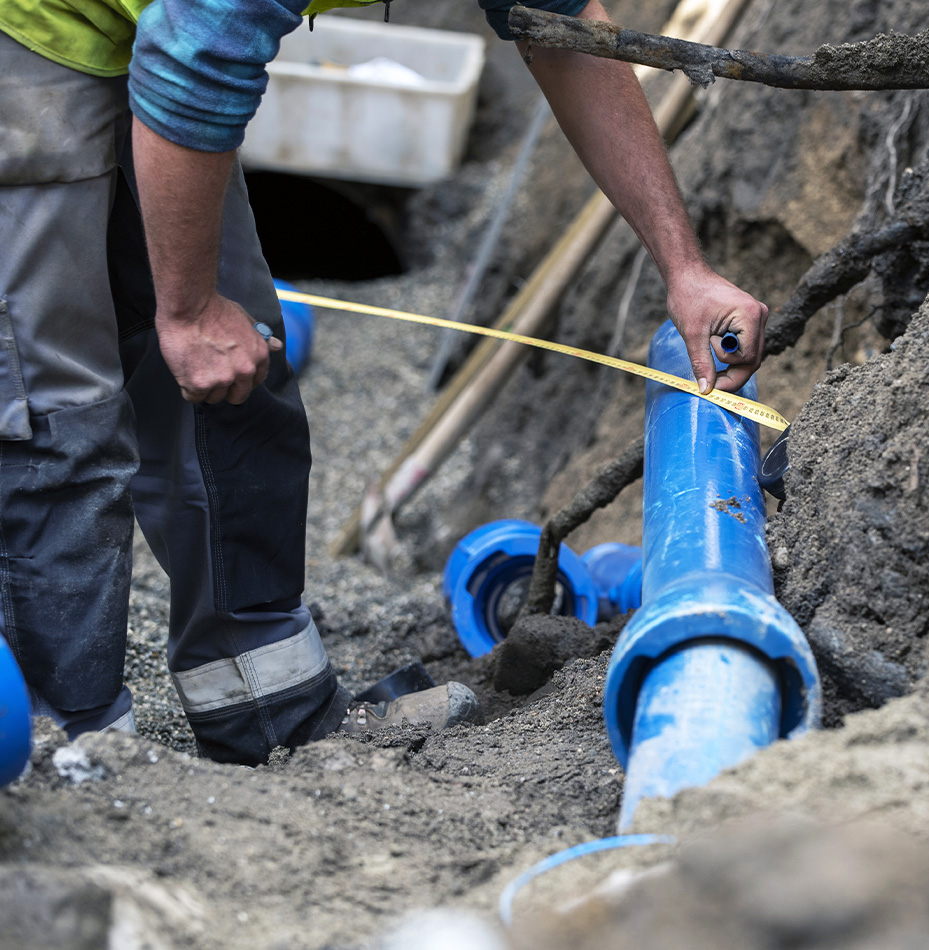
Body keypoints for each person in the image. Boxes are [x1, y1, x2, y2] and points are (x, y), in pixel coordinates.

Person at [0, 0, 767, 766]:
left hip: (164, 32)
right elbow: (191, 61)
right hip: (32, 35)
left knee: (241, 369)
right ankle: (65, 743)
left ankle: (272, 714)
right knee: (58, 416)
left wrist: (685, 269)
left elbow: (563, 35)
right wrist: (189, 309)